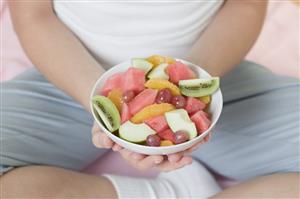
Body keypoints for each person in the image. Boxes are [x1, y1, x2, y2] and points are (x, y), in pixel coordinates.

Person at [1, 0, 299, 198]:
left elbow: (245, 5)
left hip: (210, 77)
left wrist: (188, 86)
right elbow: (34, 16)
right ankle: (170, 192)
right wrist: (100, 98)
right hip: (71, 74)